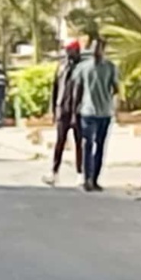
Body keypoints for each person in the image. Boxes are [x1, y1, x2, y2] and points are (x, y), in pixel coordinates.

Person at [74, 37, 119, 191]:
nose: (96, 51)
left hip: (104, 112)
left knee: (99, 145)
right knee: (88, 144)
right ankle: (87, 178)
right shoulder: (82, 68)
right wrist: (75, 109)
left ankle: (95, 179)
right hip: (88, 111)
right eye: (94, 47)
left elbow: (116, 88)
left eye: (99, 48)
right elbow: (77, 89)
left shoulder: (111, 67)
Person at [43, 40, 84, 186]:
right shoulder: (61, 67)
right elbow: (55, 89)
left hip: (78, 110)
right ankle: (54, 172)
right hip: (63, 109)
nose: (68, 53)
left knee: (79, 143)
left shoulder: (82, 68)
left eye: (71, 50)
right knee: (60, 141)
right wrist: (53, 109)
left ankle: (81, 173)